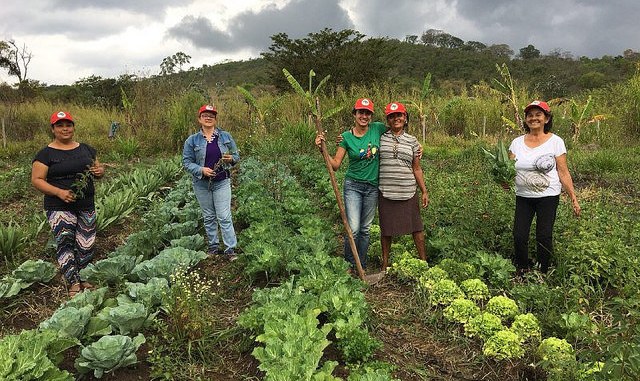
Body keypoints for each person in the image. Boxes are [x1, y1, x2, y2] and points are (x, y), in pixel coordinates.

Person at [31, 111, 105, 297]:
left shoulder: (86, 149)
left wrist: (99, 171)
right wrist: (59, 192)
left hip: (86, 203)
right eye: (60, 125)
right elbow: (37, 179)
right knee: (65, 241)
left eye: (68, 125)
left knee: (86, 242)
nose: (65, 129)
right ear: (53, 129)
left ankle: (85, 276)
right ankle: (73, 281)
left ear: (73, 127)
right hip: (59, 206)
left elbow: (98, 170)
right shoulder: (45, 154)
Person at [508, 100, 581, 275]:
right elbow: (508, 169)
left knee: (544, 235)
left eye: (538, 115)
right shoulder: (516, 143)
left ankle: (543, 271)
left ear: (546, 118)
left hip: (548, 196)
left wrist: (573, 197)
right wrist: (504, 180)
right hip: (523, 196)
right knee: (519, 235)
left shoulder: (556, 142)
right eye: (530, 115)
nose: (534, 118)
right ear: (526, 120)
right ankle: (522, 269)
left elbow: (563, 172)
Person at [315, 98, 387, 272]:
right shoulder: (346, 137)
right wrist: (322, 149)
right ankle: (349, 262)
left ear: (371, 116)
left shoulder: (377, 129)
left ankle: (361, 264)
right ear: (354, 114)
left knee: (365, 229)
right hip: (353, 185)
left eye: (367, 113)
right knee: (353, 228)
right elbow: (336, 164)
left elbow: (397, 130)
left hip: (372, 187)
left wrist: (416, 147)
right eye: (361, 112)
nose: (364, 116)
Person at [183, 104, 240, 260]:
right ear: (199, 119)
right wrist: (201, 170)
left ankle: (230, 249)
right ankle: (213, 247)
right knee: (209, 216)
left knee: (224, 216)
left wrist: (231, 158)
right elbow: (187, 162)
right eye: (205, 115)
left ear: (215, 119)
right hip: (202, 184)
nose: (208, 118)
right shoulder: (192, 140)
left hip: (221, 181)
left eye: (211, 115)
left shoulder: (225, 136)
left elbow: (236, 156)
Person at [378, 102, 429, 271]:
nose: (396, 119)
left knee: (416, 228)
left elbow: (417, 168)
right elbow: (362, 134)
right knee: (386, 230)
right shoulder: (381, 137)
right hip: (386, 190)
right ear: (388, 120)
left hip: (408, 190)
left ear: (405, 118)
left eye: (399, 115)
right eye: (392, 116)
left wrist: (424, 190)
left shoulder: (413, 141)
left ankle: (423, 262)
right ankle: (385, 264)